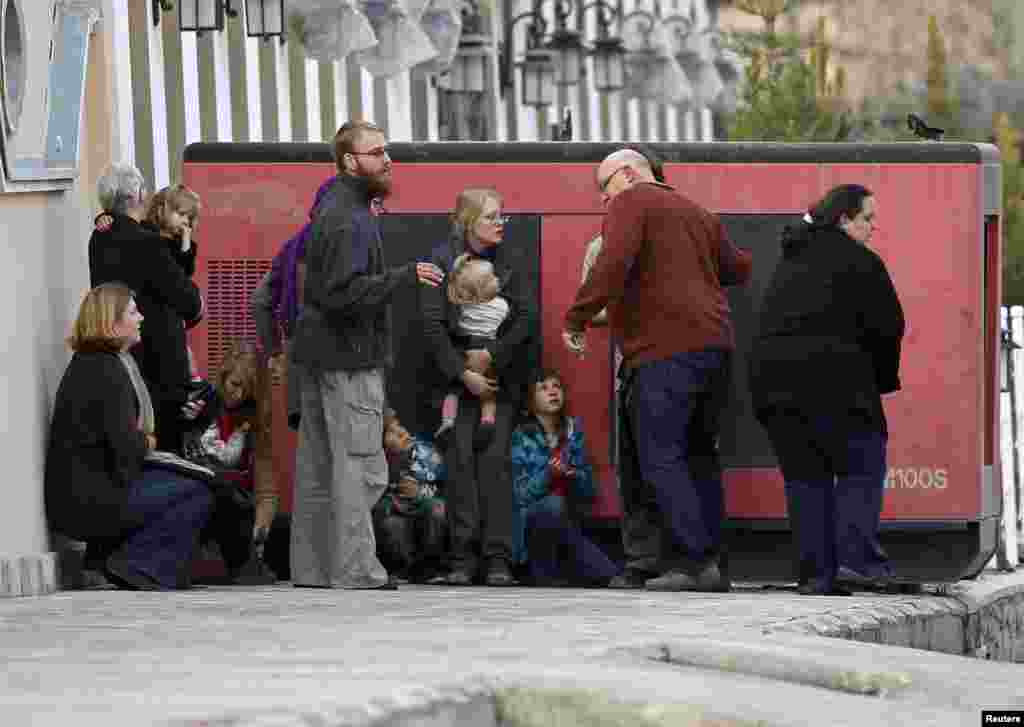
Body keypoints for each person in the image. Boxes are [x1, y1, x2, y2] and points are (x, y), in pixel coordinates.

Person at [563, 148, 752, 592]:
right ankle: (713, 565)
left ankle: (692, 562)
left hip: (662, 350)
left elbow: (612, 264)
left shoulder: (634, 200)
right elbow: (738, 268)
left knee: (659, 456)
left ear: (628, 175)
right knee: (700, 455)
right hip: (715, 347)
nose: (604, 201)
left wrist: (577, 317)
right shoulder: (697, 211)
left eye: (604, 188)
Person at [288, 120, 444, 590]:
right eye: (376, 152)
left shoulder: (331, 209)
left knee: (318, 466)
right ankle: (356, 569)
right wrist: (403, 276)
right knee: (359, 466)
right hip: (350, 360)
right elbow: (344, 294)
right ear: (350, 162)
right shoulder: (351, 218)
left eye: (386, 150)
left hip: (317, 358)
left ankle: (313, 569)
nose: (387, 159)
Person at [748, 184, 905, 596]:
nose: (874, 227)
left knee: (806, 479)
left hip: (776, 392)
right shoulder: (862, 263)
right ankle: (857, 560)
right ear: (843, 219)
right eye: (867, 218)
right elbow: (888, 329)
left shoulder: (790, 260)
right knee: (862, 465)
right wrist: (881, 381)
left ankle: (817, 576)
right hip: (838, 388)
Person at [44, 283, 214, 590]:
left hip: (83, 496)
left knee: (187, 483)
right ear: (111, 322)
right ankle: (136, 566)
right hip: (90, 504)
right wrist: (148, 441)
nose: (141, 319)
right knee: (198, 491)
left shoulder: (97, 363)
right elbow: (129, 448)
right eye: (133, 312)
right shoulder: (106, 370)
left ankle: (112, 560)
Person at [421, 187, 539, 587]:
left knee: (495, 467)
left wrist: (494, 357)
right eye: (491, 216)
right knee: (459, 469)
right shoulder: (440, 260)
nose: (500, 223)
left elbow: (526, 319)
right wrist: (462, 372)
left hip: (498, 382)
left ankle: (498, 559)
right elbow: (432, 327)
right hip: (455, 387)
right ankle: (461, 559)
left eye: (501, 215)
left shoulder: (511, 262)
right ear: (467, 221)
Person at [88, 164, 206, 453]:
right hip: (160, 364)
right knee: (167, 446)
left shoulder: (99, 238)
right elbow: (189, 302)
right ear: (138, 195)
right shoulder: (148, 244)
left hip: (119, 356)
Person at [511, 369, 620, 587]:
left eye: (556, 387)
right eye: (543, 388)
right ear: (531, 402)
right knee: (552, 504)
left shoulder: (572, 431)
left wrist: (573, 475)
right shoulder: (521, 436)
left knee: (561, 509)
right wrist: (549, 475)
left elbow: (589, 490)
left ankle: (600, 572)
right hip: (530, 522)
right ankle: (544, 573)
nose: (553, 392)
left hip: (569, 515)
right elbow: (521, 495)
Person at [183, 343, 279, 583]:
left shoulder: (254, 420)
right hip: (202, 492)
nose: (237, 394)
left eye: (246, 391)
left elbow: (266, 484)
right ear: (224, 375)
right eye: (235, 384)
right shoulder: (203, 402)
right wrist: (187, 419)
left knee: (283, 532)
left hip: (236, 503)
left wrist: (262, 526)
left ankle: (244, 560)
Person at [251, 175, 338, 430]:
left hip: (295, 361)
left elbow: (259, 300)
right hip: (328, 366)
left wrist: (276, 351)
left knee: (308, 450)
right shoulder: (335, 244)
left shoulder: (292, 245)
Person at [434, 254, 510, 449]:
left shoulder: (463, 307)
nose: (498, 279)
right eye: (492, 278)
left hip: (466, 352)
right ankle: (488, 420)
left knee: (452, 391)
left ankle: (448, 419)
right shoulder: (502, 307)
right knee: (489, 393)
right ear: (482, 289)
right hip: (487, 352)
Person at [372, 412, 447, 583]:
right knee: (392, 524)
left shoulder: (426, 453)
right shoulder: (377, 461)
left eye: (401, 431)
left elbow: (441, 486)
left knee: (438, 511)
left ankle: (428, 568)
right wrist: (395, 499)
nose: (402, 436)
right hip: (395, 512)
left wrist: (419, 495)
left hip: (424, 508)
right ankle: (401, 570)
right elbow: (375, 500)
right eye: (392, 433)